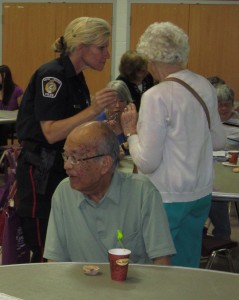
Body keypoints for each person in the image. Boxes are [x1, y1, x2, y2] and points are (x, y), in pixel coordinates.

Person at [121, 21, 226, 268]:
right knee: (187, 264)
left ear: (152, 59)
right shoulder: (204, 85)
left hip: (166, 198)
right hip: (200, 192)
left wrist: (130, 132)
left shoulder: (156, 96)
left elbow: (147, 162)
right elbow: (219, 140)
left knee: (157, 269)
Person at [15, 17, 117, 263]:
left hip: (62, 170)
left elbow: (75, 126)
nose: (108, 54)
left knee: (63, 244)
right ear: (82, 47)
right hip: (41, 173)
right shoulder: (53, 76)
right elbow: (51, 132)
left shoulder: (77, 77)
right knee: (45, 250)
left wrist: (103, 128)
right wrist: (94, 110)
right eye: (102, 47)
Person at [43, 121, 176, 264]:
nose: (67, 166)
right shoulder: (64, 193)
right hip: (81, 284)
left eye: (75, 158)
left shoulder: (142, 193)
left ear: (105, 164)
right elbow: (55, 260)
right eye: (66, 156)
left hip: (131, 285)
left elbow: (161, 259)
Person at [208, 83, 239, 240]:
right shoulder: (206, 122)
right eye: (219, 105)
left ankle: (222, 237)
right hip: (209, 169)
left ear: (233, 104)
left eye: (227, 105)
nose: (223, 109)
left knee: (216, 198)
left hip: (231, 172)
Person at [97, 80, 132, 155]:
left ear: (127, 101)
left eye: (121, 101)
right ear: (106, 102)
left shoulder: (132, 118)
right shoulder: (98, 122)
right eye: (113, 101)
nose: (117, 105)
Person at [0, 65, 23, 146]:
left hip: (11, 122)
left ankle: (3, 154)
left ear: (5, 76)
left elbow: (22, 109)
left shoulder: (17, 90)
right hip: (1, 120)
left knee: (2, 128)